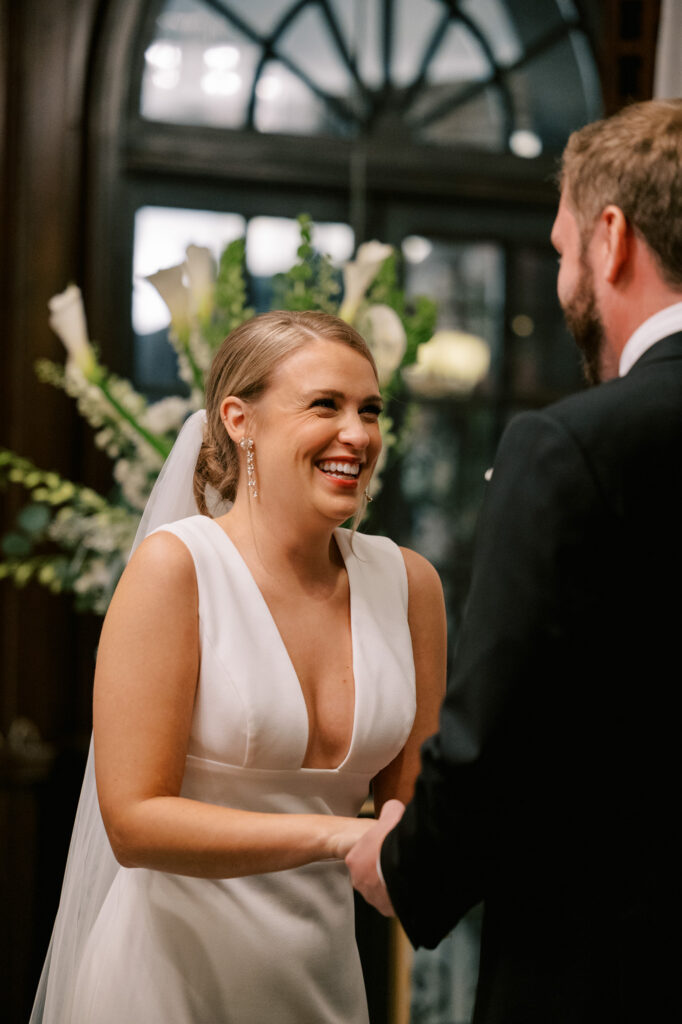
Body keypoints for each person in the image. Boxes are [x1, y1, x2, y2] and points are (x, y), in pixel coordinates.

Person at [347, 98, 682, 1022]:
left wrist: (404, 867)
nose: (564, 277)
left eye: (564, 248)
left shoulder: (574, 445)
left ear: (612, 239)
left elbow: (494, 735)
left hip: (611, 968)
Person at [31, 310, 446, 1023]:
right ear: (238, 419)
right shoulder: (177, 569)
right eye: (326, 404)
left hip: (322, 977)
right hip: (165, 982)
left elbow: (413, 800)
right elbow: (132, 822)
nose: (358, 433)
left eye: (370, 410)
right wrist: (336, 834)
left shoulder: (409, 584)